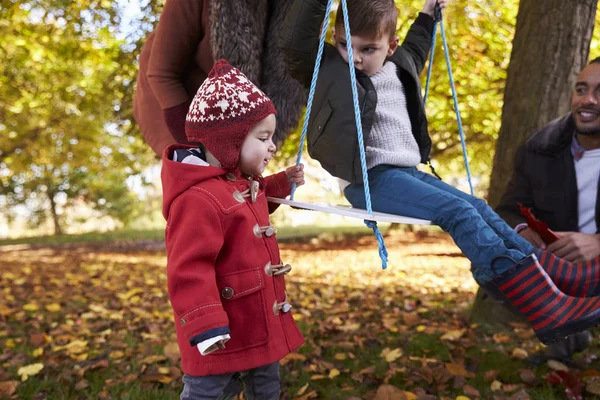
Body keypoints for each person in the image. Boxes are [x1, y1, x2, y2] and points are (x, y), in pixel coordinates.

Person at [280, 0, 600, 345]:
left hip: (406, 172)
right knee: (458, 212)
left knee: (479, 207)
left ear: (391, 46)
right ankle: (542, 302)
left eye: (368, 48)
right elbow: (295, 41)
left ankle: (550, 272)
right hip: (369, 180)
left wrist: (430, 14)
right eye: (346, 44)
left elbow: (418, 43)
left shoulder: (401, 65)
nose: (354, 57)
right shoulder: (330, 69)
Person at [161, 60, 305, 399]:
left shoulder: (236, 184)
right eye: (263, 137)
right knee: (210, 390)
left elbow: (245, 207)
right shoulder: (196, 199)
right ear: (228, 142)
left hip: (254, 316)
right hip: (219, 327)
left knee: (266, 384)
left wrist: (280, 182)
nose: (272, 146)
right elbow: (188, 267)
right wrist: (204, 324)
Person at [494, 57, 600, 362]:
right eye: (581, 89)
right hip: (557, 267)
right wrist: (524, 232)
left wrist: (597, 243)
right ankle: (570, 331)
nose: (587, 100)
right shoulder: (539, 149)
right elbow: (507, 210)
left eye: (599, 91)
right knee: (491, 263)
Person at [134, 0, 307, 156]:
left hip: (232, 128)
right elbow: (162, 75)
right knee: (202, 186)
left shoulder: (298, 9)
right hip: (175, 109)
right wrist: (196, 155)